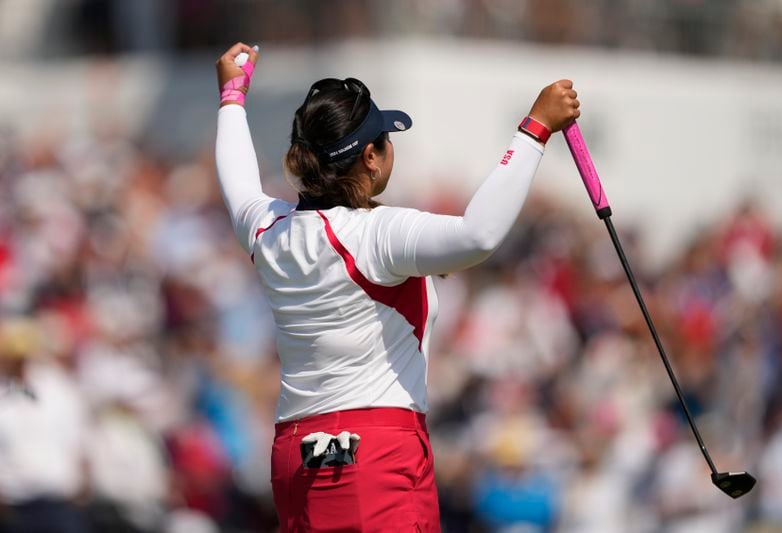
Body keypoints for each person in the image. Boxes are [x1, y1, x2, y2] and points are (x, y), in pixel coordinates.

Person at [214, 42, 579, 532]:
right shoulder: (378, 235)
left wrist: (232, 96)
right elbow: (478, 235)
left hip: (294, 456)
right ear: (370, 157)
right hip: (376, 456)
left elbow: (237, 180)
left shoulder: (267, 229)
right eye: (385, 139)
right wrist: (535, 129)